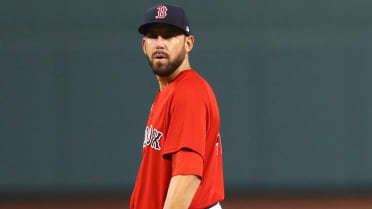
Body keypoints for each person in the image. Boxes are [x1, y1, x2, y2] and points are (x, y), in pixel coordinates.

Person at [130, 3, 224, 209]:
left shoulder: (188, 92)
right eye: (153, 36)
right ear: (144, 45)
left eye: (170, 35)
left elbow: (188, 176)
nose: (160, 43)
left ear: (188, 43)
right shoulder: (169, 92)